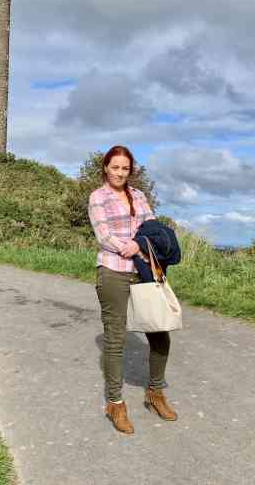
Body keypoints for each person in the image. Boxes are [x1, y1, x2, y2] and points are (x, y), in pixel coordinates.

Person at [87, 145, 178, 434]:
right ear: (105, 168)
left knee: (160, 334)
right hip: (112, 271)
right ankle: (115, 403)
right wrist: (127, 246)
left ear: (130, 170)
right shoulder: (97, 197)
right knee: (115, 340)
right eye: (115, 167)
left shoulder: (139, 196)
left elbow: (150, 227)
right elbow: (103, 235)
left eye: (125, 168)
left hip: (142, 272)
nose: (119, 173)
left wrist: (138, 244)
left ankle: (155, 393)